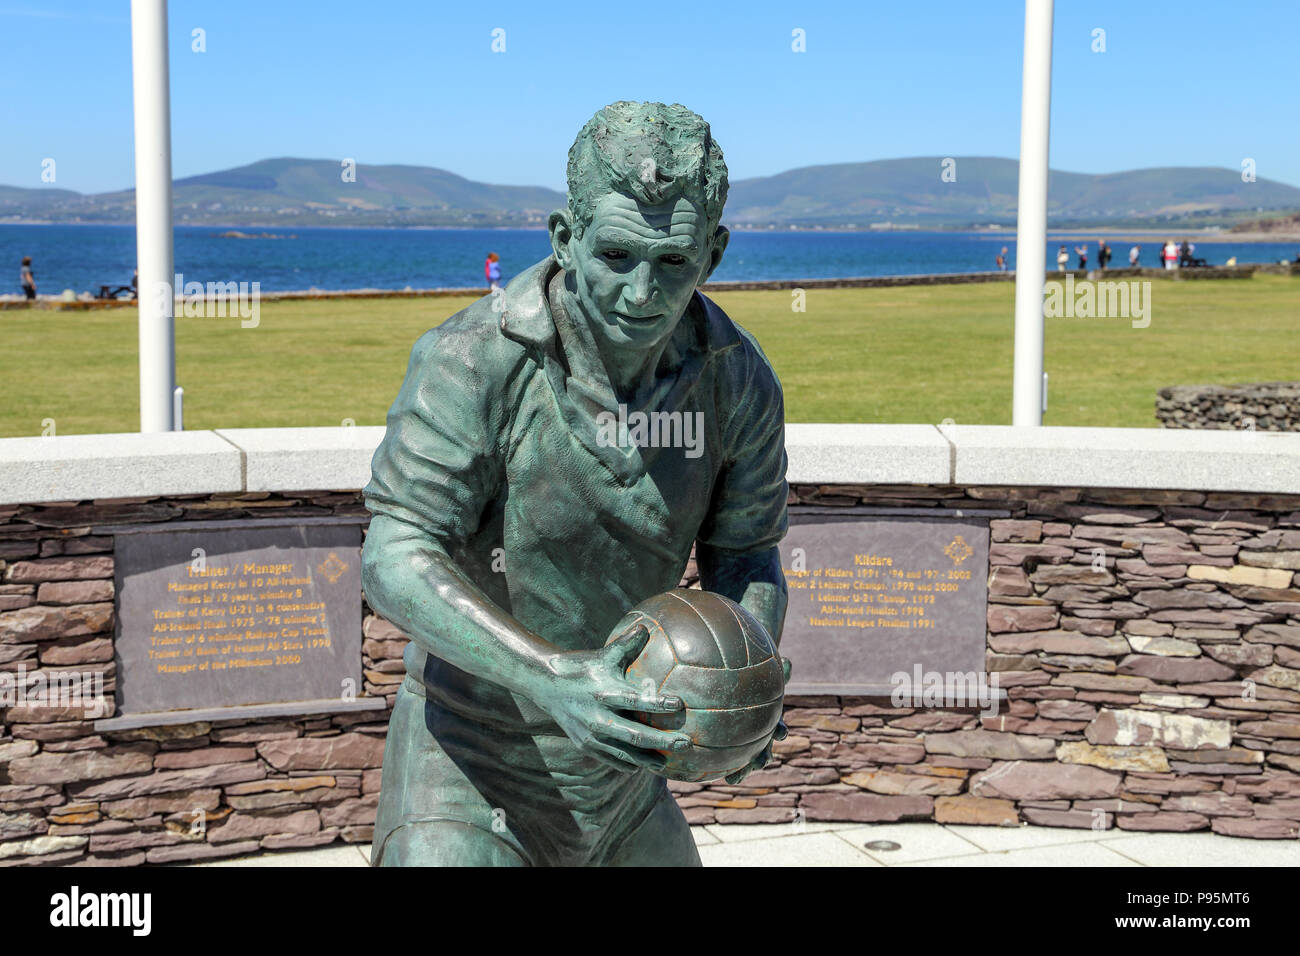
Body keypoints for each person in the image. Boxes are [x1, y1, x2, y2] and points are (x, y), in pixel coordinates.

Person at [362, 101, 789, 867]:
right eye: (616, 256)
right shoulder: (471, 361)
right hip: (470, 767)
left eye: (672, 263)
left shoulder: (739, 382)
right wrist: (552, 679)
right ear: (565, 238)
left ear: (713, 255)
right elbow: (395, 553)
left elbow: (747, 557)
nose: (641, 293)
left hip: (621, 777)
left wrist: (748, 677)